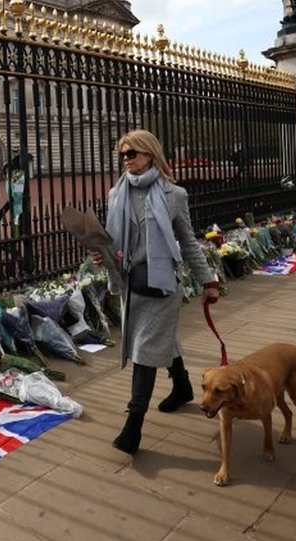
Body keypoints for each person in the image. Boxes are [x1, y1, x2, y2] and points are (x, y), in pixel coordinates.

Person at [92, 129, 221, 455]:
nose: (126, 159)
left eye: (132, 152)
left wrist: (209, 280)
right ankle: (182, 386)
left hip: (162, 285)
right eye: (122, 154)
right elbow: (115, 243)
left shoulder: (173, 194)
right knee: (159, 340)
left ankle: (133, 426)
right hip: (132, 285)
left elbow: (188, 241)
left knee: (145, 350)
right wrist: (101, 255)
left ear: (150, 153)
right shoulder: (115, 194)